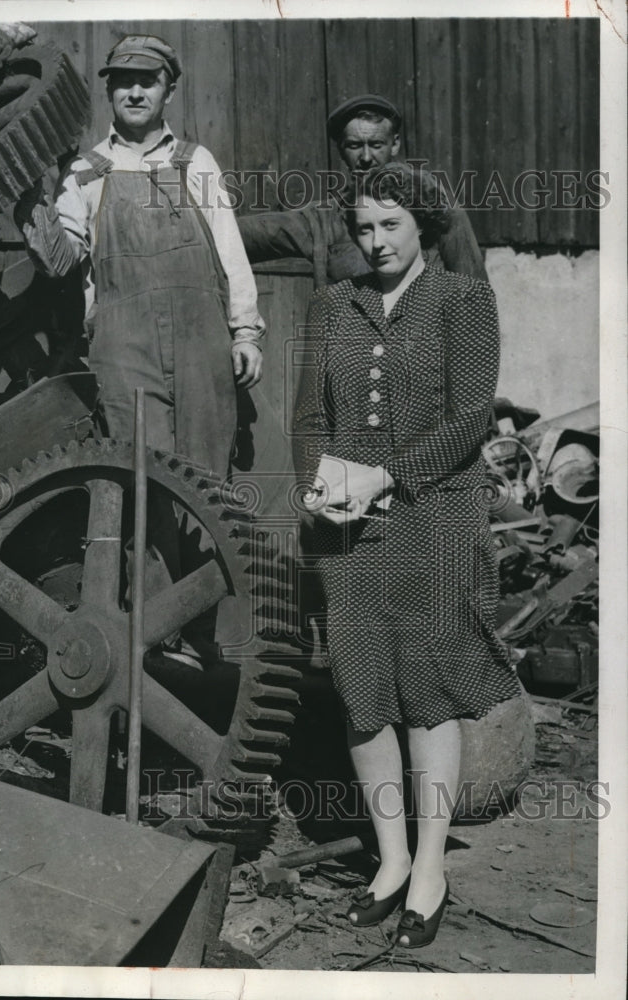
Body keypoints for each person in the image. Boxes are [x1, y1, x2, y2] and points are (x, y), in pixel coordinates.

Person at [292, 162, 519, 948]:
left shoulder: (464, 300)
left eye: (389, 225)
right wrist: (317, 487)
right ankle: (387, 862)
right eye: (362, 227)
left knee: (426, 691)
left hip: (436, 517)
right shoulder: (332, 306)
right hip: (347, 527)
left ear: (420, 224)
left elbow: (469, 418)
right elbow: (308, 417)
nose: (375, 241)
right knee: (362, 693)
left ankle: (429, 868)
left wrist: (387, 475)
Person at [16, 32, 264, 479]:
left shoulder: (197, 162)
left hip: (201, 346)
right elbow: (60, 261)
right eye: (124, 81)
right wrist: (31, 193)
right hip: (124, 351)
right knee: (140, 481)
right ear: (109, 90)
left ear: (168, 91)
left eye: (147, 81)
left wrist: (245, 333)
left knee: (206, 484)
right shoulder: (84, 172)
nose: (134, 92)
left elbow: (230, 254)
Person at [239, 93, 487, 287]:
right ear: (341, 150)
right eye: (355, 145)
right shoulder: (324, 220)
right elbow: (245, 234)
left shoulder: (433, 203)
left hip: (425, 349)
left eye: (377, 144)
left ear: (395, 144)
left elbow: (474, 295)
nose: (366, 157)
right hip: (354, 349)